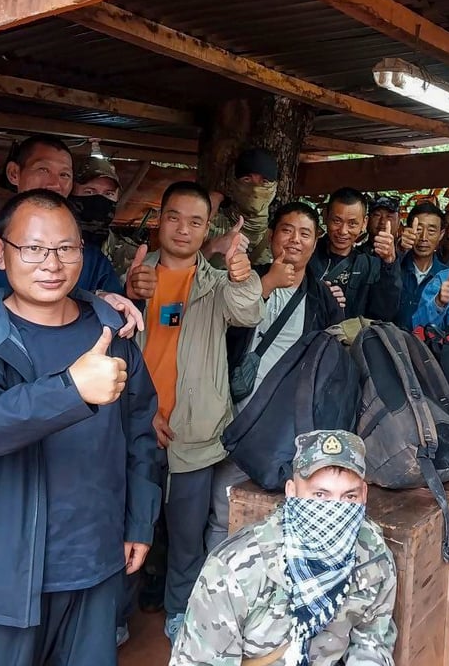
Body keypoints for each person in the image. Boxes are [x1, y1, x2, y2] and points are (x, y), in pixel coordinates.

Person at [0, 190, 161, 666]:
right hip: (4, 565)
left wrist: (140, 520)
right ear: (2, 253)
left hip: (95, 559)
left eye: (66, 248)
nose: (51, 263)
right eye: (34, 248)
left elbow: (141, 437)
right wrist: (71, 389)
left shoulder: (111, 332)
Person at [137, 181, 264, 642]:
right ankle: (112, 616)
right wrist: (129, 293)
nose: (183, 229)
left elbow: (248, 313)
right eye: (174, 217)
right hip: (134, 430)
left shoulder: (214, 283)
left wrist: (240, 274)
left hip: (195, 433)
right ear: (159, 220)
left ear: (206, 228)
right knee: (125, 528)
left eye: (195, 222)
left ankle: (179, 612)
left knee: (187, 538)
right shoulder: (134, 274)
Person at [171, 430, 398, 666]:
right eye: (320, 495)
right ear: (291, 492)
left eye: (349, 497)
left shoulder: (371, 555)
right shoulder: (236, 566)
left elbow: (371, 643)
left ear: (363, 496)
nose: (334, 510)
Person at [209, 201, 345, 551]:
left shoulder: (322, 298)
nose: (295, 240)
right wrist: (266, 284)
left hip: (282, 424)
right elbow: (221, 330)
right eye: (287, 230)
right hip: (233, 413)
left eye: (305, 234)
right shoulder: (243, 277)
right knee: (222, 507)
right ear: (271, 236)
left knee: (278, 509)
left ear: (315, 244)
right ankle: (213, 584)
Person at [0, 135, 139, 305]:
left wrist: (132, 297)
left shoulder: (91, 259)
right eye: (43, 170)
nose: (55, 183)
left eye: (64, 174)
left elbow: (119, 322)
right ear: (14, 173)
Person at [308, 187, 401, 321]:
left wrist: (389, 263)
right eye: (337, 221)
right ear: (325, 216)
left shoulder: (370, 265)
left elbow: (385, 313)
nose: (343, 231)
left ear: (364, 223)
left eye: (352, 224)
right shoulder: (307, 254)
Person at [203, 148, 279, 267]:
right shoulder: (209, 224)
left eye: (264, 182)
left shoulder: (278, 237)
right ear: (234, 183)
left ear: (274, 188)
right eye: (247, 180)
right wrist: (212, 247)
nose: (255, 189)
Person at [395, 202, 447, 330]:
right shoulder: (393, 268)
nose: (423, 238)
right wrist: (399, 249)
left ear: (441, 234)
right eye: (418, 229)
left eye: (431, 231)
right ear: (407, 231)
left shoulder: (446, 276)